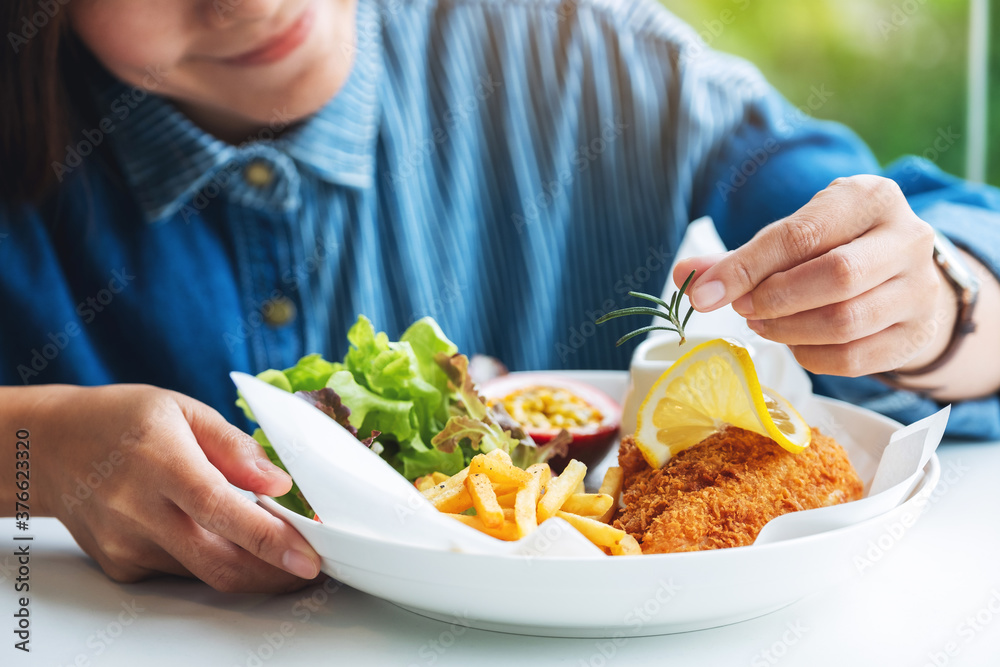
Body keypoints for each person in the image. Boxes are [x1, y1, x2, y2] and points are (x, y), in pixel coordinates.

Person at [1, 0, 998, 592]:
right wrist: (30, 449)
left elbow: (946, 242)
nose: (250, 4)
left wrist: (940, 300)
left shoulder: (587, 60)